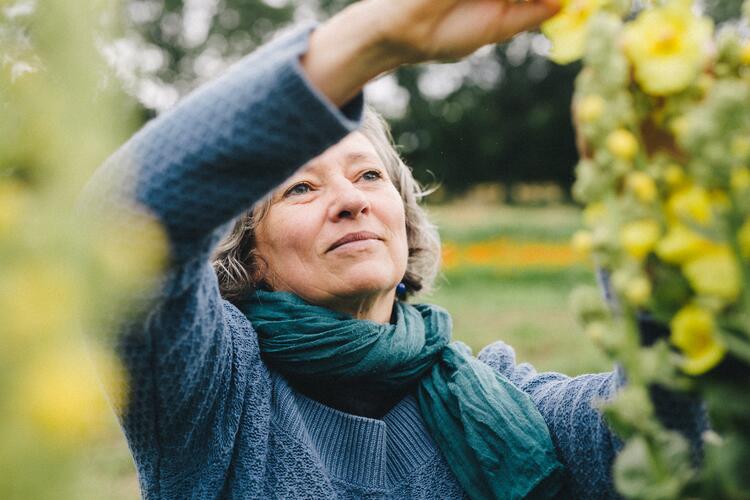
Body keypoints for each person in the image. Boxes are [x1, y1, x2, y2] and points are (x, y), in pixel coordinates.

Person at [83, 0, 707, 498]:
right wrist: (372, 41)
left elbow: (668, 445)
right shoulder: (214, 395)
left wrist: (657, 215)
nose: (350, 201)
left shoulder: (497, 396)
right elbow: (120, 226)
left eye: (368, 176)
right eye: (300, 187)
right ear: (249, 256)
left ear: (404, 220)